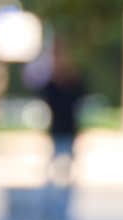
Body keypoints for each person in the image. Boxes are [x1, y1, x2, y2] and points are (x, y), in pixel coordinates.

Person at [36, 52, 86, 187]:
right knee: (54, 164)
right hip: (58, 129)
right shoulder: (53, 86)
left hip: (68, 128)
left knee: (67, 163)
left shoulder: (72, 85)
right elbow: (45, 94)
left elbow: (79, 96)